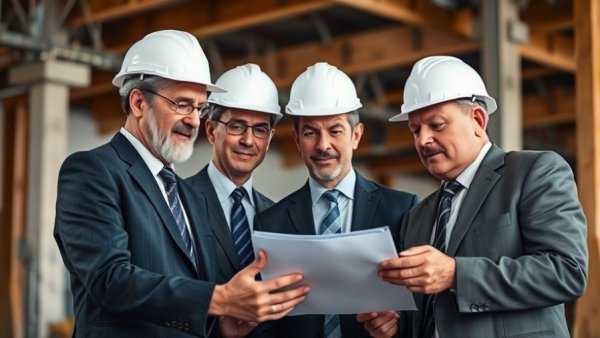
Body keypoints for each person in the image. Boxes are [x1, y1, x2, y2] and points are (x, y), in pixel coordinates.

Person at [53, 30, 309, 338]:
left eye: (199, 108)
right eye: (182, 104)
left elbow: (185, 298)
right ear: (138, 102)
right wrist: (220, 299)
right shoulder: (93, 171)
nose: (193, 120)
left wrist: (222, 325)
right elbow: (110, 279)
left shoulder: (186, 194)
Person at [358, 55, 588, 338]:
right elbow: (427, 316)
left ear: (478, 120)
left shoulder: (534, 172)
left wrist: (456, 274)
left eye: (437, 125)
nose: (422, 140)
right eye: (415, 130)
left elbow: (567, 272)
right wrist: (394, 326)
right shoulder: (417, 216)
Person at [254, 62, 419, 338]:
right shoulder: (271, 222)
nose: (323, 145)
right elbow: (263, 322)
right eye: (310, 132)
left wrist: (396, 327)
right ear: (296, 139)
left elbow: (421, 309)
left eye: (335, 130)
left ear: (356, 135)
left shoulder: (402, 210)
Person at [186, 63, 281, 283]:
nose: (248, 140)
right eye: (237, 126)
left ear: (269, 139)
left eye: (260, 130)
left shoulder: (277, 216)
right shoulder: (178, 200)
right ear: (211, 131)